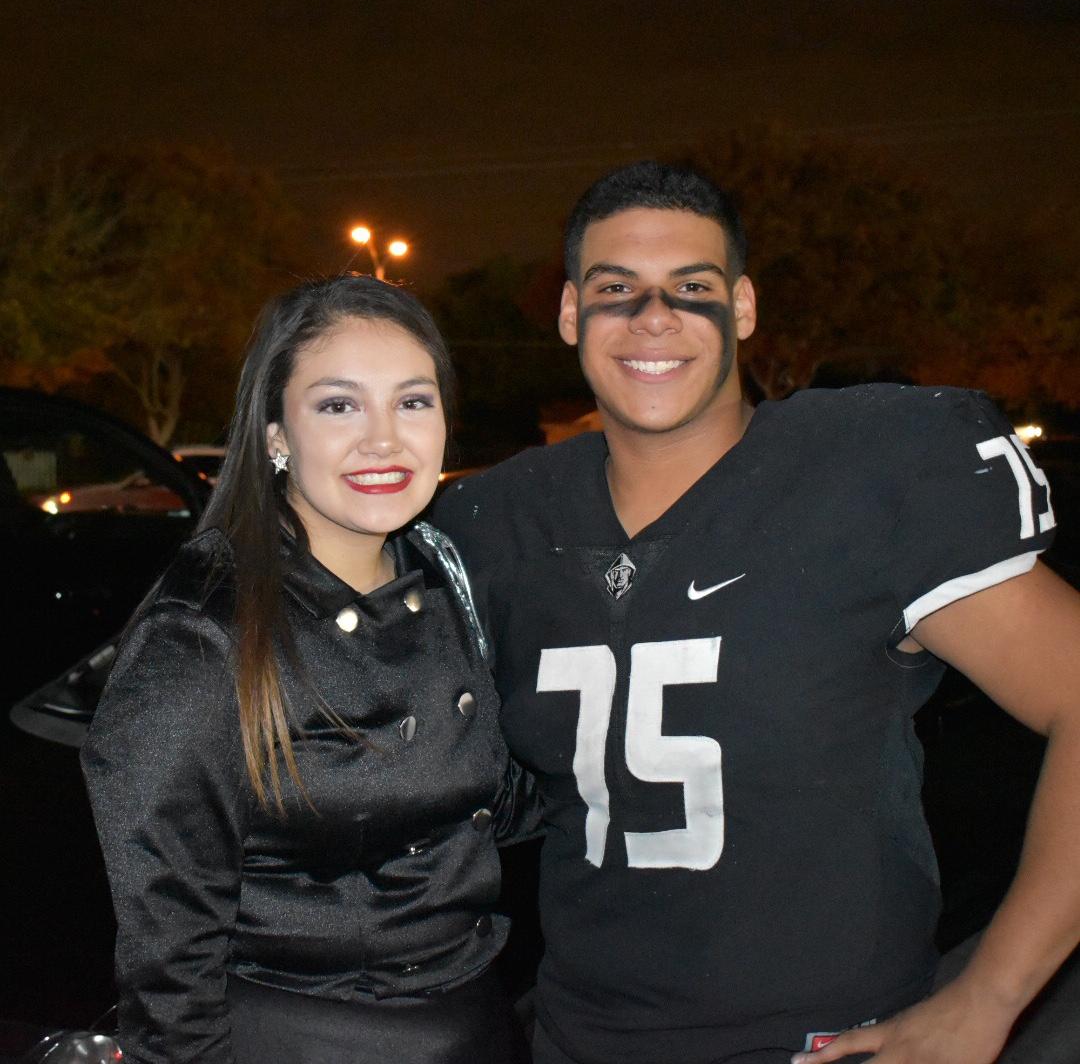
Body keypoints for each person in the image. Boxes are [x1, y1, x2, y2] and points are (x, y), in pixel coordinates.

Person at [433, 161, 1080, 1064]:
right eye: (616, 289)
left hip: (820, 1041)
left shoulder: (859, 477)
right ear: (572, 314)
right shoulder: (497, 519)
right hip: (581, 1033)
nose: (653, 317)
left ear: (741, 308)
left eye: (690, 288)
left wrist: (990, 996)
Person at [82, 275, 533, 1064]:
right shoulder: (205, 632)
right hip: (300, 1036)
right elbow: (168, 958)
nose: (383, 440)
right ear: (275, 436)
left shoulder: (450, 579)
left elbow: (506, 800)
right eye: (338, 406)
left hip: (476, 1020)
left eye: (412, 401)